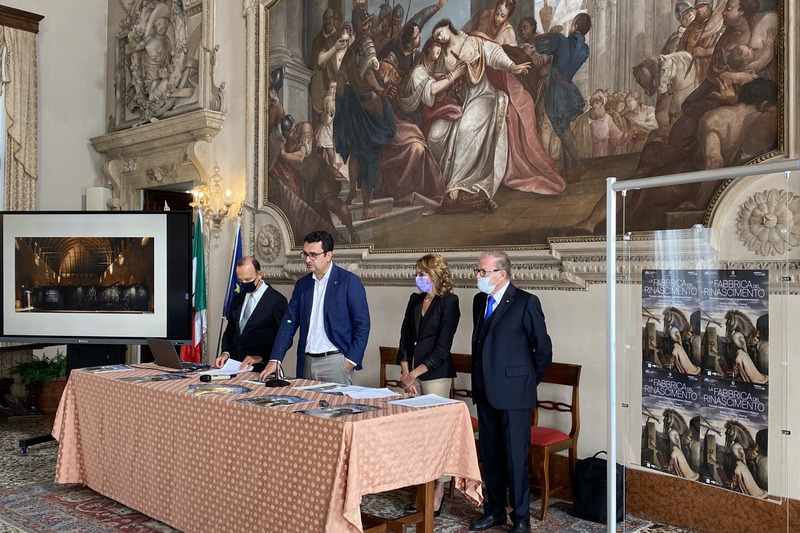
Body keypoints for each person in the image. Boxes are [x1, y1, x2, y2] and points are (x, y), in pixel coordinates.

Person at [469, 251, 553, 533]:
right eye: (477, 271)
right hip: (485, 391)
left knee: (516, 458)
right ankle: (494, 511)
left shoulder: (526, 302)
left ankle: (521, 519)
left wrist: (527, 383)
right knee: (490, 455)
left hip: (515, 395)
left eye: (482, 272)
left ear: (500, 274)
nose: (477, 277)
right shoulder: (480, 301)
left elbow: (542, 350)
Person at [262, 230, 370, 384]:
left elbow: (362, 324)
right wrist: (276, 358)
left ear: (328, 255)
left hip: (336, 362)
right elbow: (289, 322)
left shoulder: (348, 282)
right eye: (305, 254)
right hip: (306, 361)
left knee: (335, 408)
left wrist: (351, 360)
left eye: (313, 255)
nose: (308, 259)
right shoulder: (303, 285)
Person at [396, 253, 460, 516]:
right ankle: (419, 485)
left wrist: (416, 374)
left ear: (435, 275)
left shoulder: (449, 302)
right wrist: (405, 371)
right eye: (417, 273)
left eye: (422, 273)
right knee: (414, 434)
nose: (418, 278)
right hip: (412, 375)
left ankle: (438, 489)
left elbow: (443, 348)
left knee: (437, 434)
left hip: (435, 375)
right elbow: (404, 338)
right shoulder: (414, 299)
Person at [536, 12, 592, 183]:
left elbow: (539, 46)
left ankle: (577, 164)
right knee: (564, 129)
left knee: (562, 130)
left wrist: (548, 31)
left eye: (572, 24)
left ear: (574, 25)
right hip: (568, 87)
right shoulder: (585, 49)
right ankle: (569, 171)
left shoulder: (561, 40)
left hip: (557, 91)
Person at [215, 257, 288, 373]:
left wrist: (261, 357)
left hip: (262, 370)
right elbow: (230, 332)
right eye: (241, 281)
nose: (244, 284)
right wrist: (225, 353)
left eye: (248, 280)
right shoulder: (237, 299)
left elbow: (284, 338)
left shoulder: (277, 301)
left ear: (259, 274)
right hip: (235, 368)